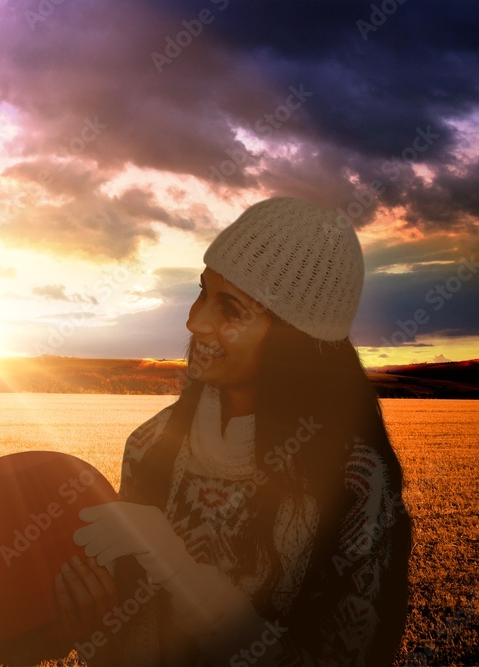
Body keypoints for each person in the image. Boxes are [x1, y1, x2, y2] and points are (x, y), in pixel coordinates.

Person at [56, 197, 412, 665]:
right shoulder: (148, 446)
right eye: (203, 292)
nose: (195, 321)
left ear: (296, 340)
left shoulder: (355, 485)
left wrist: (178, 568)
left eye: (231, 308)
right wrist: (92, 624)